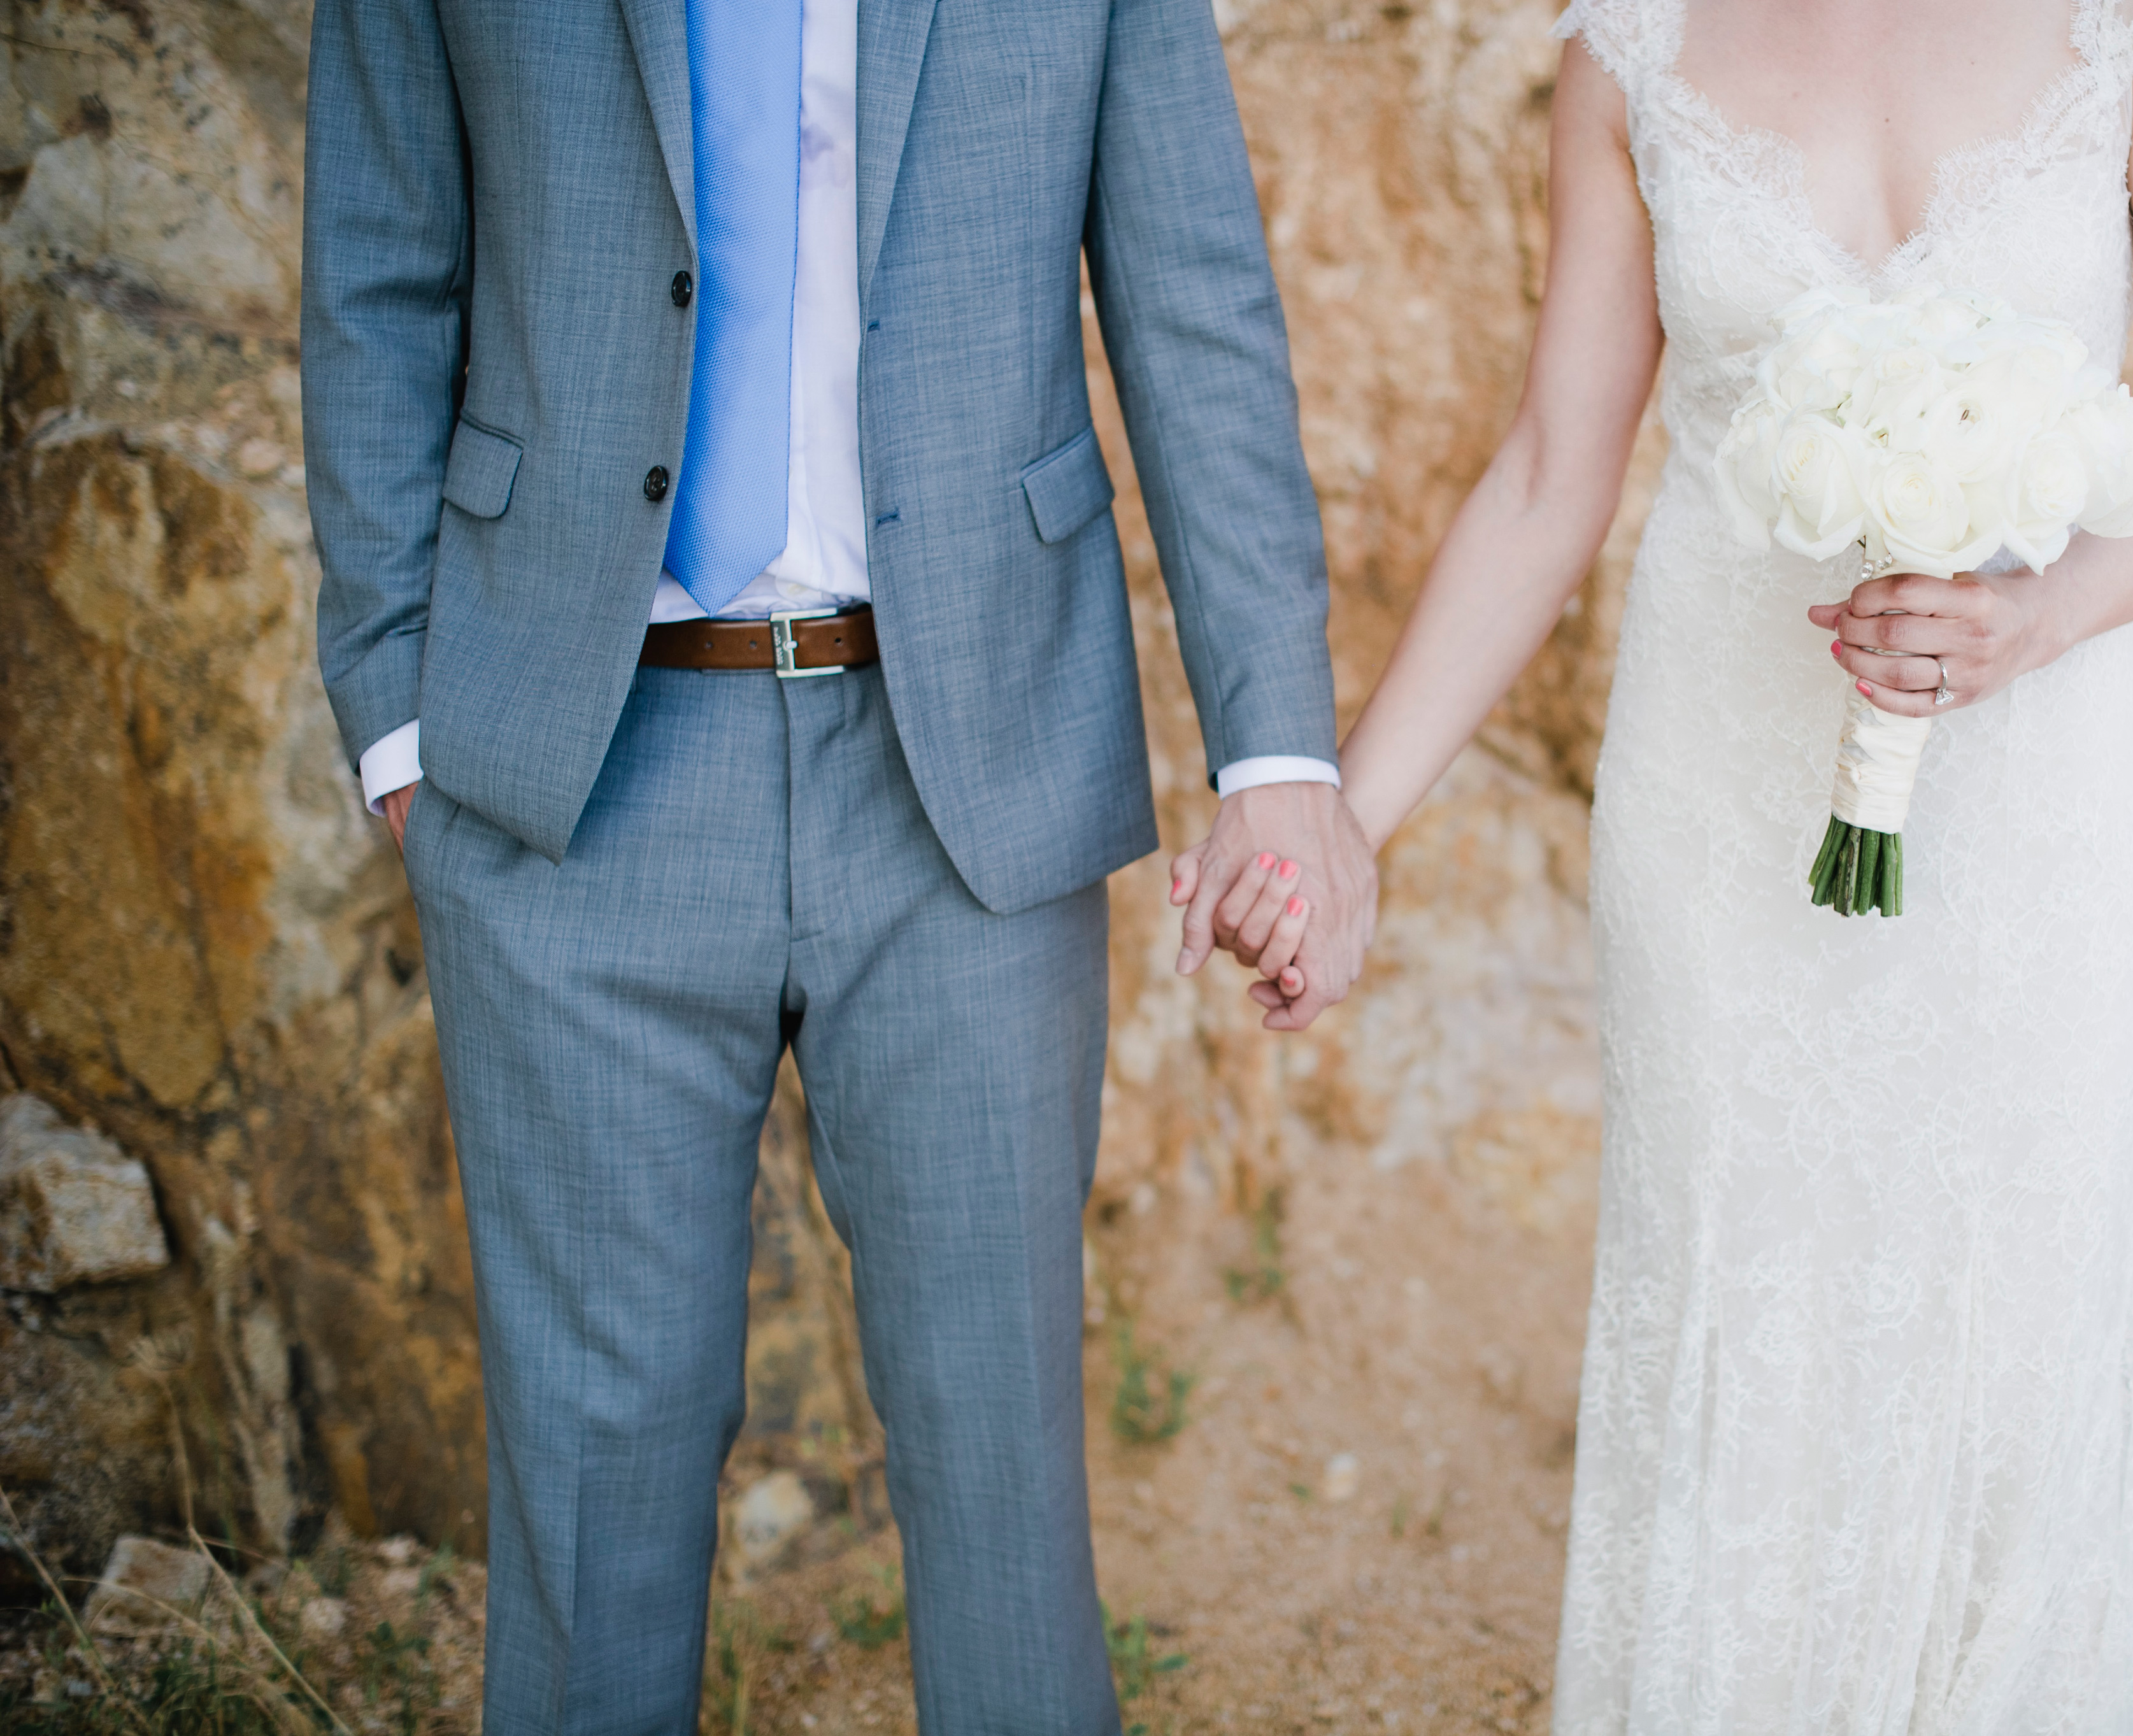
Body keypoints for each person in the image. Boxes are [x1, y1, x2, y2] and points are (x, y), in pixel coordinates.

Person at [300, 0, 1373, 1727]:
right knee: (595, 1478)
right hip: (573, 772)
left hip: (966, 765)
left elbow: (1195, 296)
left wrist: (1277, 755)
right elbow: (375, 264)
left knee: (996, 1458)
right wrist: (401, 718)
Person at [1236, 0, 2133, 1724]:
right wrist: (1348, 822)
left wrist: (2039, 620)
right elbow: (1548, 471)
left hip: (2039, 801)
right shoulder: (1630, 44)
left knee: (2009, 1337)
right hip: (1720, 805)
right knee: (1740, 1323)